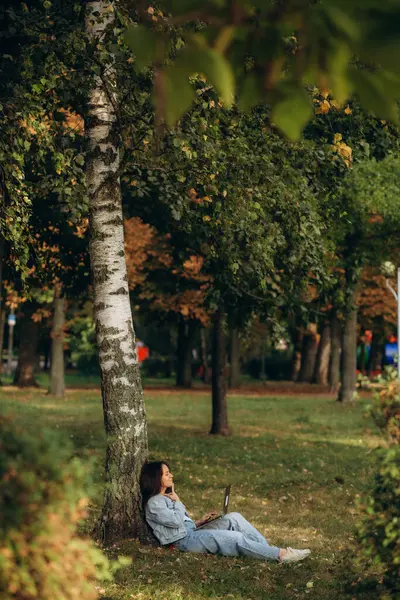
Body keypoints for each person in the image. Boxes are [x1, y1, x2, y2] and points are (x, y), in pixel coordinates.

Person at [140, 461, 311, 563]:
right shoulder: (155, 503)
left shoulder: (168, 496)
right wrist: (177, 501)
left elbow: (181, 522)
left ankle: (266, 550)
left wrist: (200, 522)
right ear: (156, 478)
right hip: (182, 542)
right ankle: (281, 554)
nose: (171, 475)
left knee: (234, 518)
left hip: (191, 532)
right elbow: (176, 522)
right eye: (167, 473)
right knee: (235, 538)